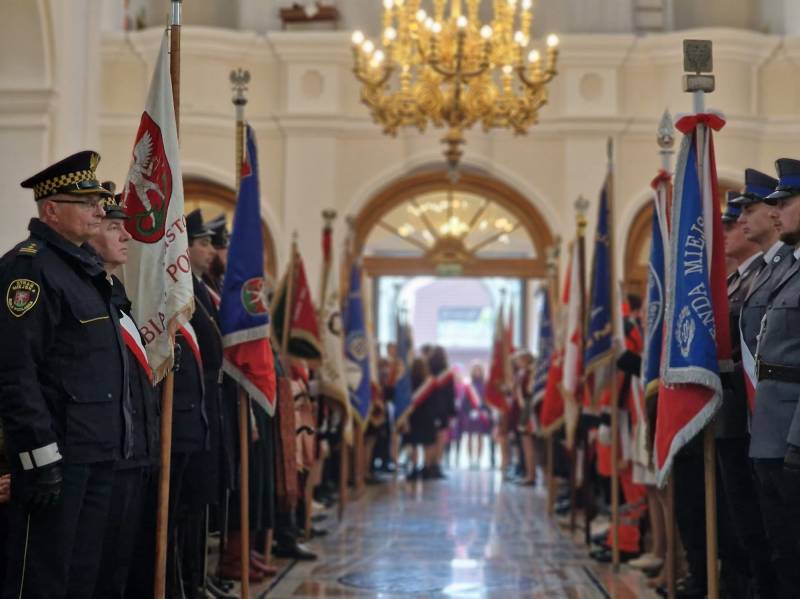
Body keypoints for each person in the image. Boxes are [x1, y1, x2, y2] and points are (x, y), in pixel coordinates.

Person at [0, 151, 126, 599]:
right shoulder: (30, 269)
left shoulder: (83, 271)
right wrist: (39, 457)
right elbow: (16, 371)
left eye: (98, 202)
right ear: (51, 210)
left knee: (81, 574)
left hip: (95, 450)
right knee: (43, 576)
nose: (99, 211)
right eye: (87, 202)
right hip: (57, 456)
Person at [86, 184, 161, 599]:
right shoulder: (84, 291)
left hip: (133, 451)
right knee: (95, 565)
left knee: (122, 561)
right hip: (104, 452)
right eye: (114, 226)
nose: (126, 235)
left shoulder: (116, 293)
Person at [748, 158, 800, 599]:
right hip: (769, 428)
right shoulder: (786, 268)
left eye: (785, 202)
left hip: (792, 433)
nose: (775, 211)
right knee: (778, 547)